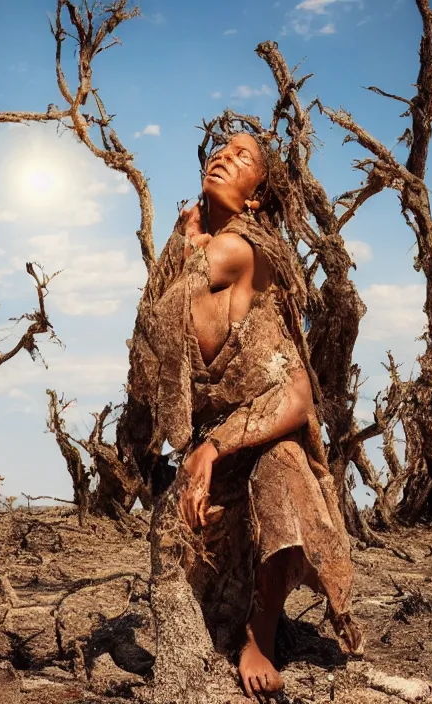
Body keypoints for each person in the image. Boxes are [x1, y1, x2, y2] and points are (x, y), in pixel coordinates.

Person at [128, 131, 364, 700]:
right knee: (188, 584)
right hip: (213, 455)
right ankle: (233, 619)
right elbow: (155, 329)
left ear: (256, 196)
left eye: (242, 159)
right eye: (219, 151)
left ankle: (260, 636)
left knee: (280, 462)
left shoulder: (242, 250)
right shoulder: (195, 251)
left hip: (254, 446)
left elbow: (298, 394)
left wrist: (210, 449)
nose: (222, 158)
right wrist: (184, 236)